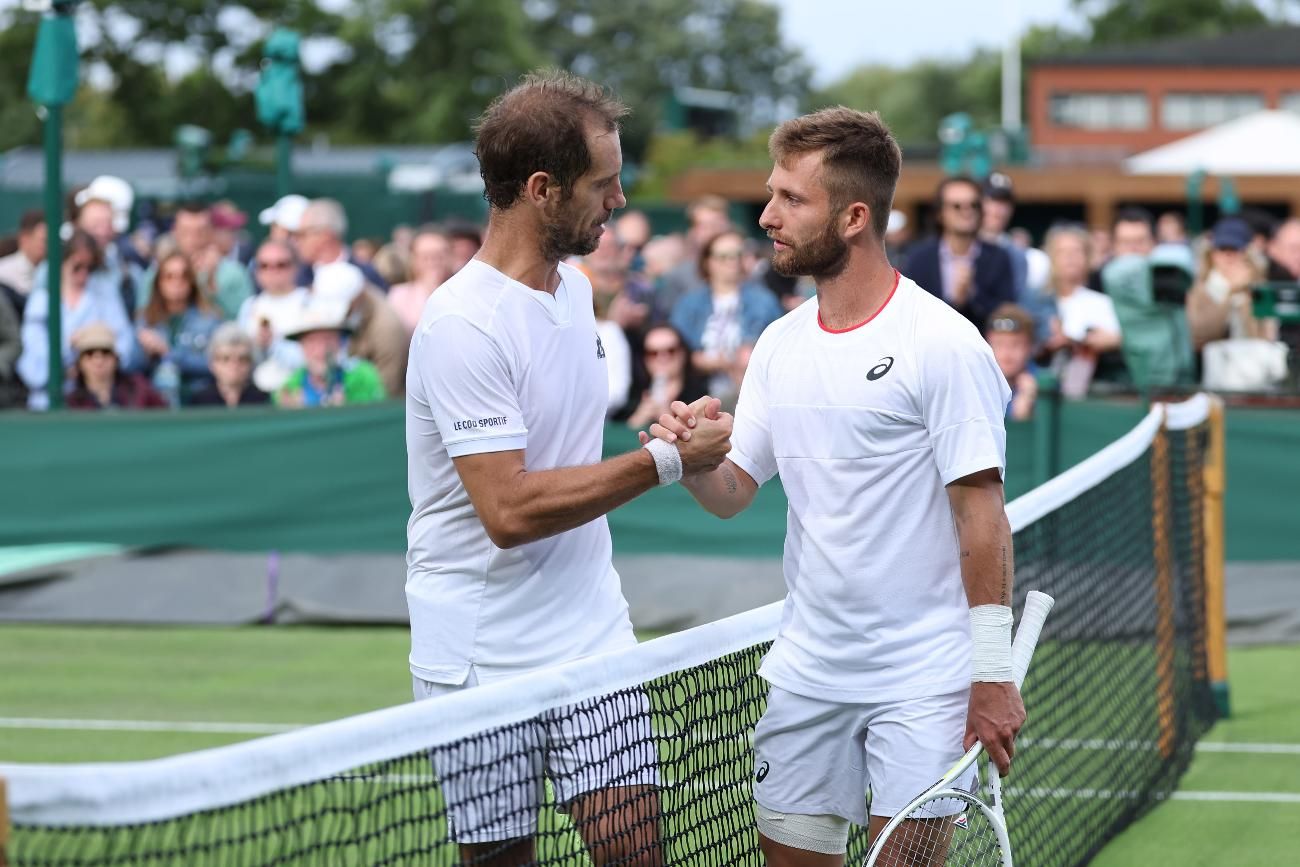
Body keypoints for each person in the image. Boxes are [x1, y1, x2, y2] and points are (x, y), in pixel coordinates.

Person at [642, 106, 1022, 867]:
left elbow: (982, 517)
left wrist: (992, 673)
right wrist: (686, 458)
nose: (767, 215)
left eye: (791, 199)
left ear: (853, 217)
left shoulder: (943, 344)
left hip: (924, 680)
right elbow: (735, 489)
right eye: (770, 193)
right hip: (807, 674)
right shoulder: (780, 344)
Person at [404, 70, 731, 867]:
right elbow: (509, 511)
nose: (618, 201)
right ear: (543, 189)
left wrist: (669, 432)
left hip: (592, 631)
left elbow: (569, 449)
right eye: (603, 183)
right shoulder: (460, 327)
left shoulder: (577, 292)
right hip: (479, 655)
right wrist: (661, 462)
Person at [18, 230, 138, 410]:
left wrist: (91, 357)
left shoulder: (105, 297)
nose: (83, 275)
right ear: (62, 264)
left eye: (90, 268)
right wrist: (70, 347)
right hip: (47, 402)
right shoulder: (41, 301)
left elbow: (125, 348)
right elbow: (32, 365)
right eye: (77, 267)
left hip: (95, 401)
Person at [670, 229, 782, 408]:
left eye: (737, 255)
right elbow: (674, 347)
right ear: (708, 262)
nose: (732, 262)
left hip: (747, 391)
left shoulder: (764, 301)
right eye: (724, 256)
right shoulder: (689, 303)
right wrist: (702, 361)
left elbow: (777, 349)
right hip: (696, 391)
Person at [903, 176, 1015, 328]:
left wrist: (972, 295)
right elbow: (910, 313)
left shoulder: (998, 257)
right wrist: (954, 300)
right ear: (940, 213)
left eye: (973, 205)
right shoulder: (919, 258)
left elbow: (1005, 314)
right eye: (957, 206)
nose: (966, 211)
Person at [1039, 225, 1123, 398]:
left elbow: (1114, 339)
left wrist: (1087, 341)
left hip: (1091, 391)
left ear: (1088, 257)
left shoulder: (1102, 303)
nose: (1069, 258)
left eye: (1076, 251)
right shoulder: (1037, 301)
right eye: (1062, 252)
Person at [136, 252, 223, 404]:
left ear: (192, 282)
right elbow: (130, 365)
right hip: (154, 399)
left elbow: (216, 365)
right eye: (169, 276)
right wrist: (144, 352)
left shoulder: (210, 318)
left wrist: (168, 353)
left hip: (199, 395)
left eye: (183, 276)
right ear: (159, 282)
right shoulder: (145, 319)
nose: (177, 282)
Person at [276, 300, 386, 408]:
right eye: (312, 342)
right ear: (302, 346)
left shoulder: (364, 378)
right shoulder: (287, 388)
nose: (321, 350)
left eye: (328, 340)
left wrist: (348, 407)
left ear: (340, 343)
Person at [238, 239, 309, 393]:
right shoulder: (250, 306)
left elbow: (313, 356)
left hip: (299, 391)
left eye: (281, 265)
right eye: (264, 265)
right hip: (256, 394)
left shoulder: (309, 301)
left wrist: (273, 345)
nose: (273, 271)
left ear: (295, 267)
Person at [170, 202, 254, 320]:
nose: (192, 239)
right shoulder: (161, 271)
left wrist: (210, 282)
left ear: (211, 232)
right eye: (186, 231)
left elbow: (241, 322)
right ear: (175, 233)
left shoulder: (234, 274)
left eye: (200, 232)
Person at [65, 322, 167, 411]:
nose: (98, 360)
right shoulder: (72, 402)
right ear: (80, 362)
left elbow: (165, 415)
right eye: (90, 353)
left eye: (105, 352)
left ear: (115, 358)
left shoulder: (139, 388)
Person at [624, 323, 708, 430]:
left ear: (683, 353)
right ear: (645, 358)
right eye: (653, 353)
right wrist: (639, 417)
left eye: (670, 351)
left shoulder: (701, 396)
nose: (662, 358)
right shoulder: (633, 393)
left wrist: (665, 416)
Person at [295, 198, 390, 291]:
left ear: (326, 235)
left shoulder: (369, 276)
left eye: (302, 234)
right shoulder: (295, 277)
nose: (297, 241)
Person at [387, 226, 455, 334]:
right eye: (426, 257)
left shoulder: (463, 294)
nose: (434, 262)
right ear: (413, 260)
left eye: (440, 256)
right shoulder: (398, 295)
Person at [189, 323, 271, 407]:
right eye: (225, 359)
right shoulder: (199, 401)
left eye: (242, 359)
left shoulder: (264, 401)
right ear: (212, 363)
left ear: (251, 363)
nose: (234, 365)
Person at [985, 304, 1040, 421]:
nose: (1006, 353)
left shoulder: (1041, 385)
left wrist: (1029, 405)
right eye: (999, 344)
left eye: (1015, 344)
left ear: (1030, 347)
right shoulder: (978, 382)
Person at [0, 209, 47, 314]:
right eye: (43, 240)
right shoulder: (3, 271)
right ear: (24, 238)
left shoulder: (57, 273)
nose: (48, 245)